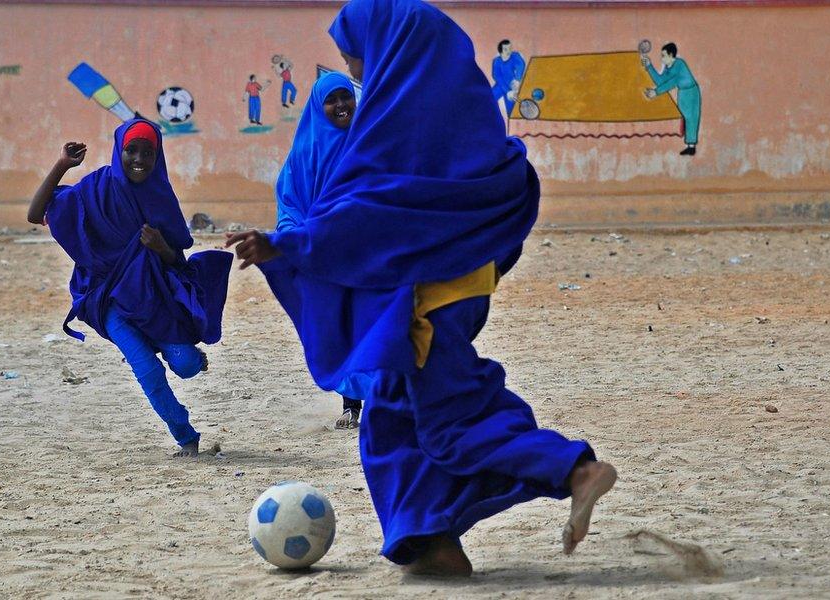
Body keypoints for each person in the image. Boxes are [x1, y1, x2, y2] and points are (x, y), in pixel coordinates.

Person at [227, 0, 616, 577]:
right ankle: (431, 543)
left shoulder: (394, 126)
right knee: (390, 414)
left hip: (424, 300)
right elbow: (513, 189)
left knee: (448, 413)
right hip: (460, 285)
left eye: (357, 60)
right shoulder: (467, 115)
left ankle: (573, 470)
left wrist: (289, 246)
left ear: (389, 49)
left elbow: (370, 212)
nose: (357, 76)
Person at [27, 119, 233, 458]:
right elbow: (36, 214)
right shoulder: (95, 189)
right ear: (118, 151)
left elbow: (177, 261)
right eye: (131, 150)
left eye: (148, 153)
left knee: (184, 364)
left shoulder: (160, 196)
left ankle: (195, 358)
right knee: (148, 369)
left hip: (154, 298)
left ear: (158, 157)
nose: (139, 159)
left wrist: (161, 247)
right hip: (109, 300)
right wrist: (63, 165)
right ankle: (186, 437)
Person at [271, 72, 367, 429]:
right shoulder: (303, 155)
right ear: (318, 106)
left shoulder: (368, 143)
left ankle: (382, 401)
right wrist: (295, 239)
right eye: (332, 100)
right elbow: (290, 204)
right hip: (325, 257)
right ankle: (352, 406)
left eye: (346, 97)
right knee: (338, 327)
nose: (341, 106)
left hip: (368, 252)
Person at [644, 42, 701, 156]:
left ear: (671, 55)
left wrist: (656, 92)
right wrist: (649, 66)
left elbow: (672, 82)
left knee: (691, 118)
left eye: (664, 55)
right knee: (685, 117)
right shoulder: (667, 68)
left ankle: (691, 146)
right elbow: (661, 81)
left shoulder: (679, 64)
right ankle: (690, 145)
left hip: (691, 92)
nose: (662, 59)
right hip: (683, 93)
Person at [491, 39, 525, 120]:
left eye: (510, 48)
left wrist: (517, 79)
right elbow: (497, 77)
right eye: (506, 49)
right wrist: (507, 91)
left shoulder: (515, 56)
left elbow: (521, 65)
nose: (509, 51)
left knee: (511, 112)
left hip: (512, 85)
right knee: (489, 100)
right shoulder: (497, 61)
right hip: (501, 86)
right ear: (501, 51)